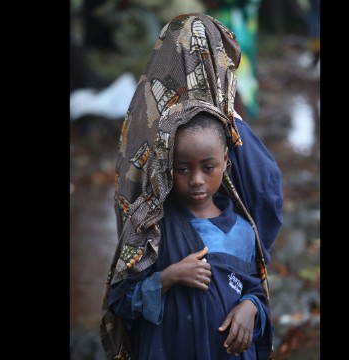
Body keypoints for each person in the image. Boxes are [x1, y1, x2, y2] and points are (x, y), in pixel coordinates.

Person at [100, 13, 282, 359]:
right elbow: (266, 190)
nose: (197, 179)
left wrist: (251, 305)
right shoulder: (157, 224)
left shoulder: (144, 120)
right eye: (182, 168)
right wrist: (165, 275)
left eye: (209, 167)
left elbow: (253, 287)